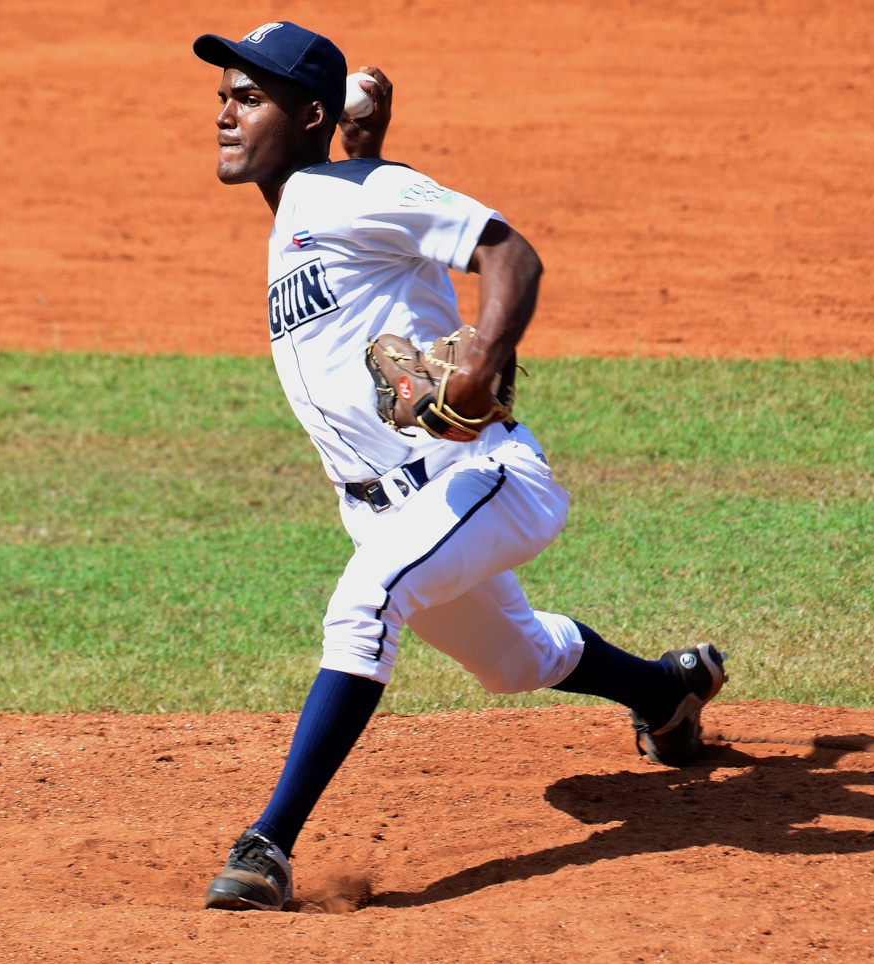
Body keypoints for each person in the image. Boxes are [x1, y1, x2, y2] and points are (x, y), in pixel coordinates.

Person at [192, 21, 727, 912]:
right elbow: (347, 219)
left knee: (364, 606)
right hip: (384, 511)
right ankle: (666, 692)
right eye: (222, 97)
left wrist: (481, 363)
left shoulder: (360, 191)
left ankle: (266, 846)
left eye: (249, 98)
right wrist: (358, 139)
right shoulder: (306, 207)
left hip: (483, 478)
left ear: (308, 113)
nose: (223, 114)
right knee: (517, 659)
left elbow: (509, 252)